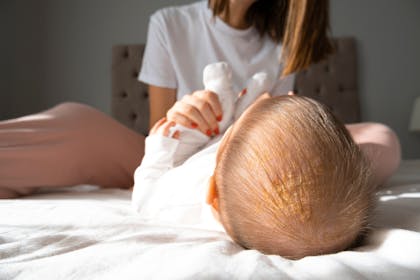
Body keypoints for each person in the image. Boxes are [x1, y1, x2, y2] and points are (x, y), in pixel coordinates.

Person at [0, 0, 400, 199]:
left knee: (380, 137)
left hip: (252, 161)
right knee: (76, 121)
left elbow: (275, 130)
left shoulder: (281, 44)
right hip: (174, 155)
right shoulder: (171, 24)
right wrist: (184, 117)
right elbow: (161, 132)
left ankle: (279, 190)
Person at [132, 94, 376, 259]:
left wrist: (157, 146)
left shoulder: (176, 199)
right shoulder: (242, 198)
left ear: (212, 193)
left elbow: (145, 192)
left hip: (194, 143)